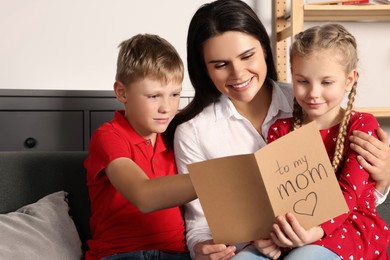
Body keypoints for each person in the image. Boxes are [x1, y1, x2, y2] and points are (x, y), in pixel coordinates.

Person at [167, 0, 390, 259]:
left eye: (247, 56)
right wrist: (202, 247)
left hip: (333, 236)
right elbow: (200, 222)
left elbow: (356, 196)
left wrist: (383, 179)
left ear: (265, 49)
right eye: (220, 64)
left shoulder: (307, 100)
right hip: (265, 243)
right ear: (204, 69)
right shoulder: (194, 132)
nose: (238, 73)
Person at [264, 23, 390, 260]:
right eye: (302, 81)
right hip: (296, 226)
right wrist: (270, 235)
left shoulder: (361, 125)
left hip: (350, 225)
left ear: (349, 80)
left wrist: (315, 232)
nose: (313, 92)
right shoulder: (279, 130)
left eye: (326, 82)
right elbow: (274, 196)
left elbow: (349, 193)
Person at [84, 34, 196, 260]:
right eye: (154, 96)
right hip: (121, 254)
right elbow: (143, 195)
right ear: (122, 93)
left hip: (178, 254)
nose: (166, 107)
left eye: (175, 94)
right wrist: (220, 179)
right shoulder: (109, 136)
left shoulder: (178, 134)